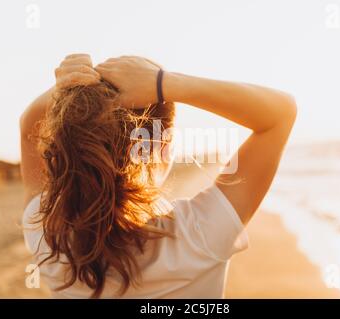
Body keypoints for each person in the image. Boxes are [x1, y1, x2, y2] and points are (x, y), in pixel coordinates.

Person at [20, 54, 297, 298]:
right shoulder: (199, 234)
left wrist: (67, 89)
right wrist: (165, 83)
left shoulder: (48, 237)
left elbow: (28, 125)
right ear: (164, 148)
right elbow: (280, 112)